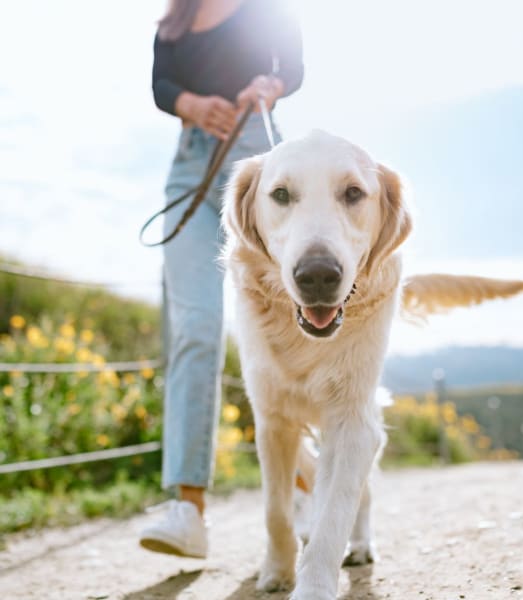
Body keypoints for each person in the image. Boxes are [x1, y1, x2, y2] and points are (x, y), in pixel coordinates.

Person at [139, 0, 303, 558]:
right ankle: (188, 508)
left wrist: (269, 83)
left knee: (285, 319)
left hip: (258, 159)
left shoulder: (267, 9)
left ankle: (306, 481)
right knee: (196, 325)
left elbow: (294, 67)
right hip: (188, 166)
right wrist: (190, 102)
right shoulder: (175, 20)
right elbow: (162, 84)